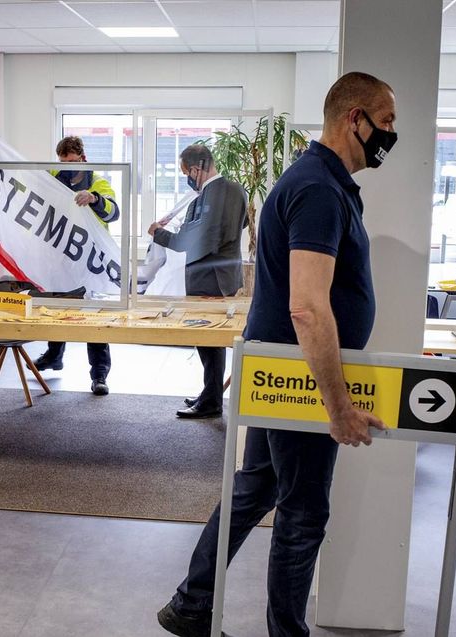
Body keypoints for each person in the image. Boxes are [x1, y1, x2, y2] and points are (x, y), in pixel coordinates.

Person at [156, 71, 398, 637]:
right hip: (298, 378)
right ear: (353, 120)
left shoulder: (318, 181)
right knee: (303, 511)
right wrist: (336, 405)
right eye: (385, 122)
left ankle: (191, 604)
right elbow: (308, 308)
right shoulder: (317, 189)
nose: (391, 134)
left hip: (279, 371)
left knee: (257, 487)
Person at [148, 145, 247, 419]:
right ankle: (209, 392)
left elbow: (194, 241)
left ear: (195, 169)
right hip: (225, 275)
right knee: (210, 341)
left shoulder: (208, 197)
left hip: (209, 277)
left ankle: (211, 401)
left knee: (208, 340)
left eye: (185, 173)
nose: (187, 178)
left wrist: (160, 234)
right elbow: (244, 223)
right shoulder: (237, 190)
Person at [33, 135, 120, 396]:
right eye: (63, 161)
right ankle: (54, 355)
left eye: (72, 161)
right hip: (60, 258)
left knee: (93, 318)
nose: (67, 166)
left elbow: (114, 213)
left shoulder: (98, 182)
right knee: (57, 308)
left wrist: (94, 199)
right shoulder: (55, 174)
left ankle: (100, 374)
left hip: (89, 260)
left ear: (83, 159)